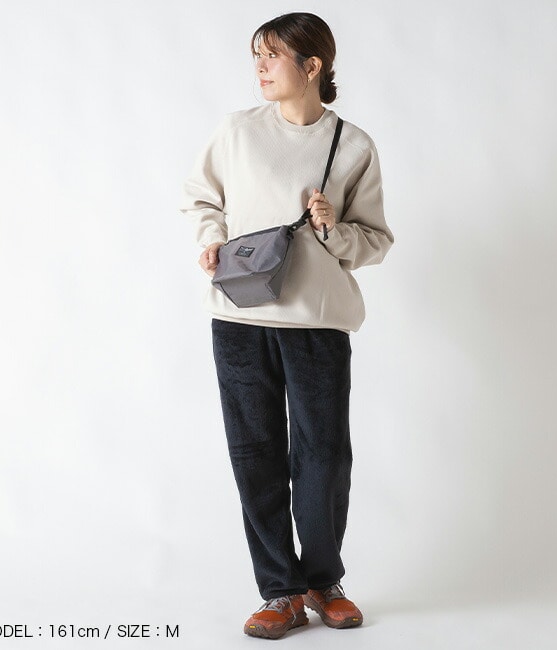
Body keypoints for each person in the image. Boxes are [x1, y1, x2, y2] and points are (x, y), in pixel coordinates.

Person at [180, 12, 394, 640]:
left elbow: (376, 240)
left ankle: (323, 582)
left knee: (323, 456)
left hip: (317, 322)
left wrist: (332, 227)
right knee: (256, 455)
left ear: (313, 65)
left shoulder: (352, 146)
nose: (260, 66)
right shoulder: (237, 131)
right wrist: (211, 238)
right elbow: (200, 197)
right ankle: (279, 591)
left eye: (272, 55)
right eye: (257, 55)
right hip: (239, 318)